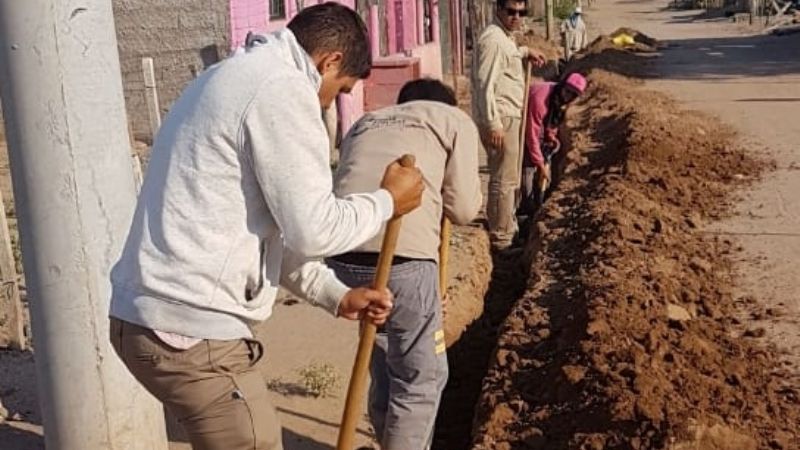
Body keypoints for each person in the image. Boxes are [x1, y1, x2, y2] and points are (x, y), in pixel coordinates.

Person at [107, 4, 425, 450]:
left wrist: (336, 295)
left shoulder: (240, 76)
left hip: (148, 318)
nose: (329, 103)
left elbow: (277, 233)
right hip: (188, 332)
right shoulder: (282, 90)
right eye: (339, 90)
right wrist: (388, 202)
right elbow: (315, 229)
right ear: (329, 61)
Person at [329, 78, 482, 450]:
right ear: (447, 103)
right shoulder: (451, 119)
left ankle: (388, 437)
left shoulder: (366, 122)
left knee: (383, 348)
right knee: (420, 378)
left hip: (341, 256)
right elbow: (463, 209)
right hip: (405, 259)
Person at [472, 0, 546, 252]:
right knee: (505, 178)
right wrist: (493, 123)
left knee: (506, 175)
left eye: (521, 12)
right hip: (502, 118)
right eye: (511, 12)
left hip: (507, 115)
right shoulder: (493, 40)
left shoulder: (504, 37)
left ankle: (504, 224)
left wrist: (524, 51)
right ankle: (502, 238)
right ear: (498, 10)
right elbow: (485, 84)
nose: (517, 17)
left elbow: (507, 58)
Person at [519, 72, 587, 218]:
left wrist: (551, 137)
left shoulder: (559, 101)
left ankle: (538, 201)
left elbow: (552, 120)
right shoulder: (540, 99)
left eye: (572, 95)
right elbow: (531, 134)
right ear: (562, 85)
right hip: (520, 121)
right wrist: (540, 165)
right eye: (567, 91)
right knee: (529, 165)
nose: (567, 96)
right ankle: (526, 206)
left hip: (536, 127)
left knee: (539, 160)